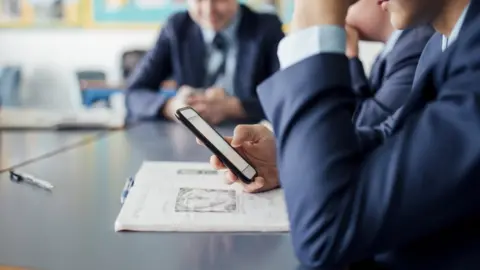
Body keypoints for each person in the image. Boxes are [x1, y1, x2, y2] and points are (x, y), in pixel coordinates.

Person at [200, 0, 480, 268]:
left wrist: (315, 22)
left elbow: (325, 235)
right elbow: (392, 137)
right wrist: (289, 155)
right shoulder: (441, 45)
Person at [125, 0, 284, 125]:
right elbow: (134, 93)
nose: (209, 11)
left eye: (219, 0)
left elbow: (285, 98)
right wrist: (172, 107)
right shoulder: (177, 27)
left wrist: (234, 107)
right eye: (199, 0)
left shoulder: (266, 27)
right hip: (187, 141)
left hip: (250, 138)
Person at [345, 0, 433, 126]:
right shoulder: (388, 55)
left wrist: (350, 57)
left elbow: (364, 123)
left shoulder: (416, 45)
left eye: (349, 3)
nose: (342, 18)